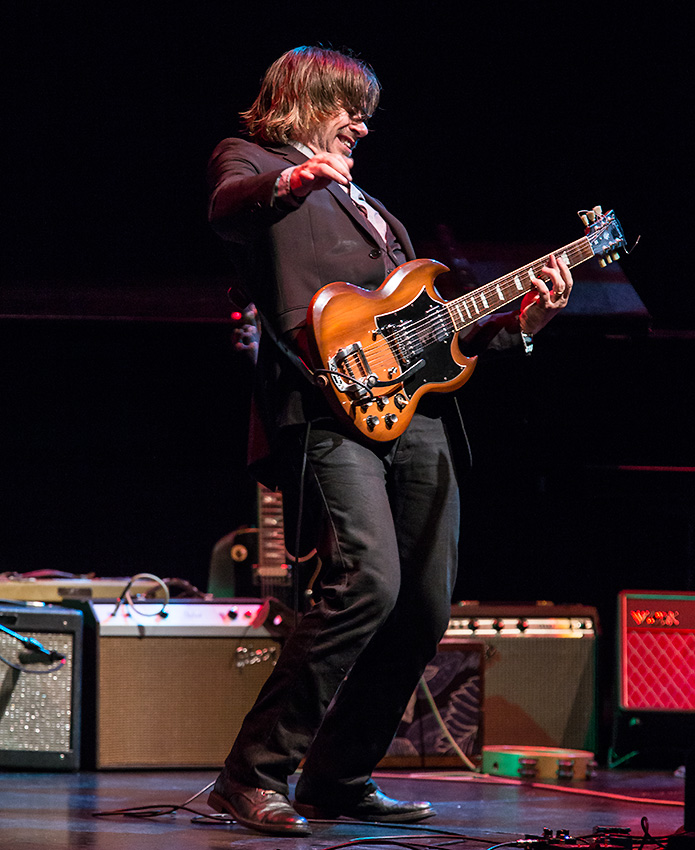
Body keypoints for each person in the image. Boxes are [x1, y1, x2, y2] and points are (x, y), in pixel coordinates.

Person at [206, 45, 573, 837]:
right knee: (366, 580)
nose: (362, 127)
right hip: (328, 407)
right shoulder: (254, 163)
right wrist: (293, 180)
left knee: (423, 604)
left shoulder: (380, 214)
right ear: (308, 98)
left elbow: (434, 337)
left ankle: (337, 775)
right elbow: (228, 208)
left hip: (417, 420)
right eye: (351, 110)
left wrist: (523, 324)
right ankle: (250, 776)